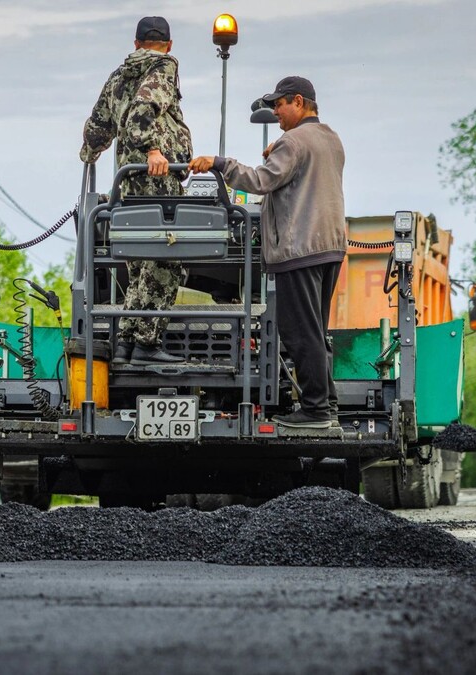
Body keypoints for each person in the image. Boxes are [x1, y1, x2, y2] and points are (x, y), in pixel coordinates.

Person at [190, 76, 346, 429]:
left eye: (279, 105)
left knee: (298, 331)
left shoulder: (291, 143)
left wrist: (219, 163)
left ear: (298, 102)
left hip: (299, 250)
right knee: (317, 329)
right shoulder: (330, 139)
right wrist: (279, 150)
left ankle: (316, 410)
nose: (275, 111)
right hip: (329, 248)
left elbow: (260, 181)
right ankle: (328, 404)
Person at [80, 16, 193, 365]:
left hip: (128, 187)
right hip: (158, 183)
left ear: (135, 43)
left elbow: (98, 126)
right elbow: (143, 109)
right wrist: (151, 150)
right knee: (167, 261)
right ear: (169, 45)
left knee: (139, 266)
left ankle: (126, 343)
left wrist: (90, 152)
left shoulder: (118, 76)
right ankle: (147, 344)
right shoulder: (164, 66)